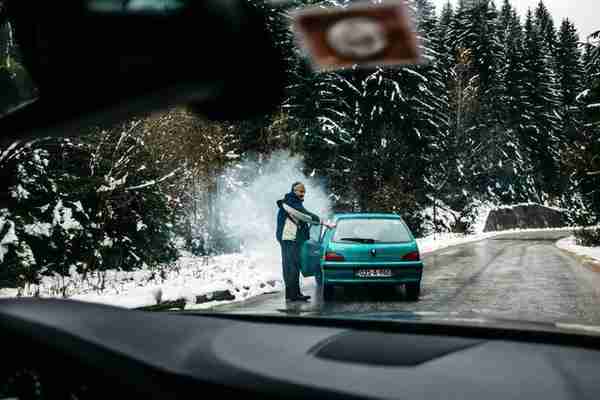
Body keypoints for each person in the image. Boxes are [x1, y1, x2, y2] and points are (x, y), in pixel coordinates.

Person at [276, 182, 333, 302]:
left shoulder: (294, 202)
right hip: (289, 239)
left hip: (293, 239)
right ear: (293, 191)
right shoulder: (289, 202)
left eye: (304, 192)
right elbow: (304, 215)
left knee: (294, 266)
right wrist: (322, 222)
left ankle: (294, 294)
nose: (302, 194)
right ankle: (292, 295)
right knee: (290, 267)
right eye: (300, 191)